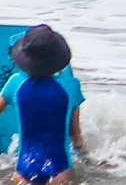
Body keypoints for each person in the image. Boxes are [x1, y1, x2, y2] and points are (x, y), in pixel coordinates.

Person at [0, 26, 84, 185]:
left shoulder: (14, 83)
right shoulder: (72, 86)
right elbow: (76, 136)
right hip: (61, 170)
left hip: (23, 171)